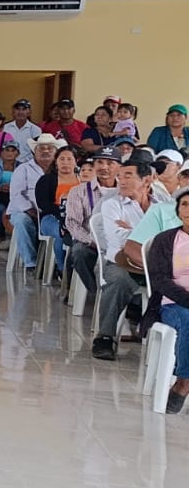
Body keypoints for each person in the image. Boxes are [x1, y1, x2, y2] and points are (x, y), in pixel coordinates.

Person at [93, 153, 159, 360]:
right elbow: (118, 239)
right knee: (118, 281)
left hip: (156, 265)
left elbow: (171, 238)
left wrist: (133, 231)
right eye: (120, 176)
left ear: (146, 180)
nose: (121, 181)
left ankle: (163, 338)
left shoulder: (162, 205)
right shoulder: (112, 204)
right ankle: (105, 337)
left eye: (128, 176)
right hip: (122, 262)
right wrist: (151, 236)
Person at [142, 190, 189, 413]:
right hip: (173, 302)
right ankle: (184, 382)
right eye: (185, 204)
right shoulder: (165, 240)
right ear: (177, 210)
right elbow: (158, 279)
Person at [65, 150, 117, 298]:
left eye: (110, 163)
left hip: (118, 241)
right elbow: (72, 223)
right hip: (90, 241)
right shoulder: (78, 191)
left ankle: (127, 297)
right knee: (79, 252)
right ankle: (99, 294)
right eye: (100, 162)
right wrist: (91, 240)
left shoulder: (124, 190)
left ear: (119, 167)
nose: (104, 167)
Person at [7, 133, 59, 270]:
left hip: (50, 212)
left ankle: (56, 263)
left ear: (56, 152)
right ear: (34, 152)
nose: (46, 151)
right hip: (25, 211)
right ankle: (31, 262)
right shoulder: (23, 169)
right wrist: (30, 210)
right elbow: (16, 194)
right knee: (21, 220)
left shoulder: (61, 171)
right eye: (41, 148)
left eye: (50, 148)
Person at [33, 144, 81, 276]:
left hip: (77, 218)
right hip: (51, 218)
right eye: (62, 159)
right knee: (61, 232)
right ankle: (62, 269)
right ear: (56, 162)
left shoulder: (82, 179)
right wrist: (63, 212)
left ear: (76, 161)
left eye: (69, 159)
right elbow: (43, 204)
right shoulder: (46, 180)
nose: (65, 163)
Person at [5, 98, 40, 163]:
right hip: (7, 163)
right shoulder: (5, 127)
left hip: (28, 163)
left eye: (24, 109)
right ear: (13, 112)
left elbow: (36, 150)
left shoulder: (35, 129)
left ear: (29, 112)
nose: (20, 112)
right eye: (18, 109)